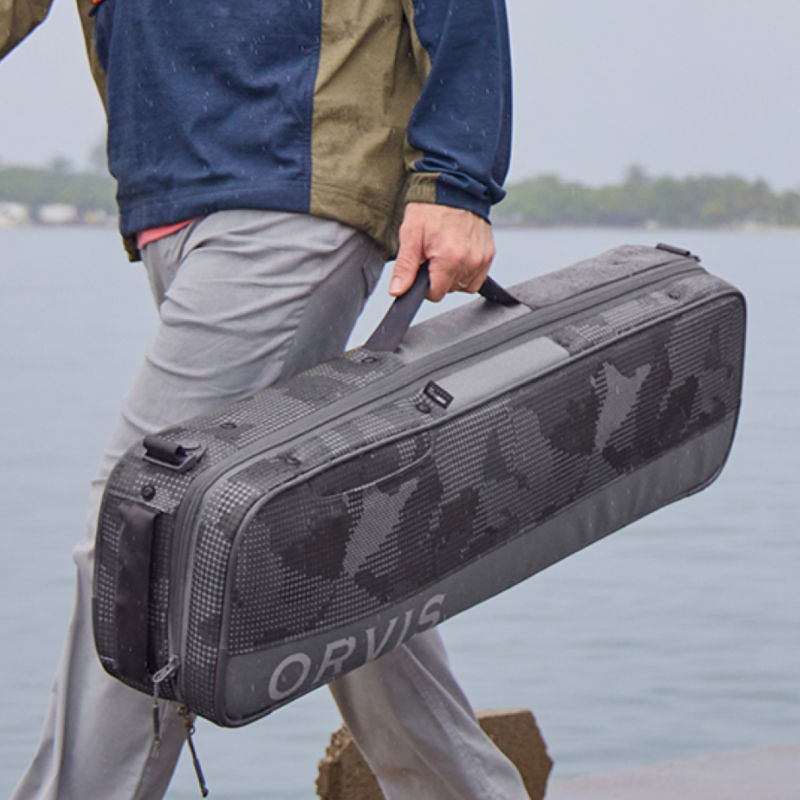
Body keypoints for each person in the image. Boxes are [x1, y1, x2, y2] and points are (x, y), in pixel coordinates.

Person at [1, 1, 528, 798]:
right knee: (325, 540)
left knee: (148, 531)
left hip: (299, 181)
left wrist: (456, 178)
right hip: (174, 193)